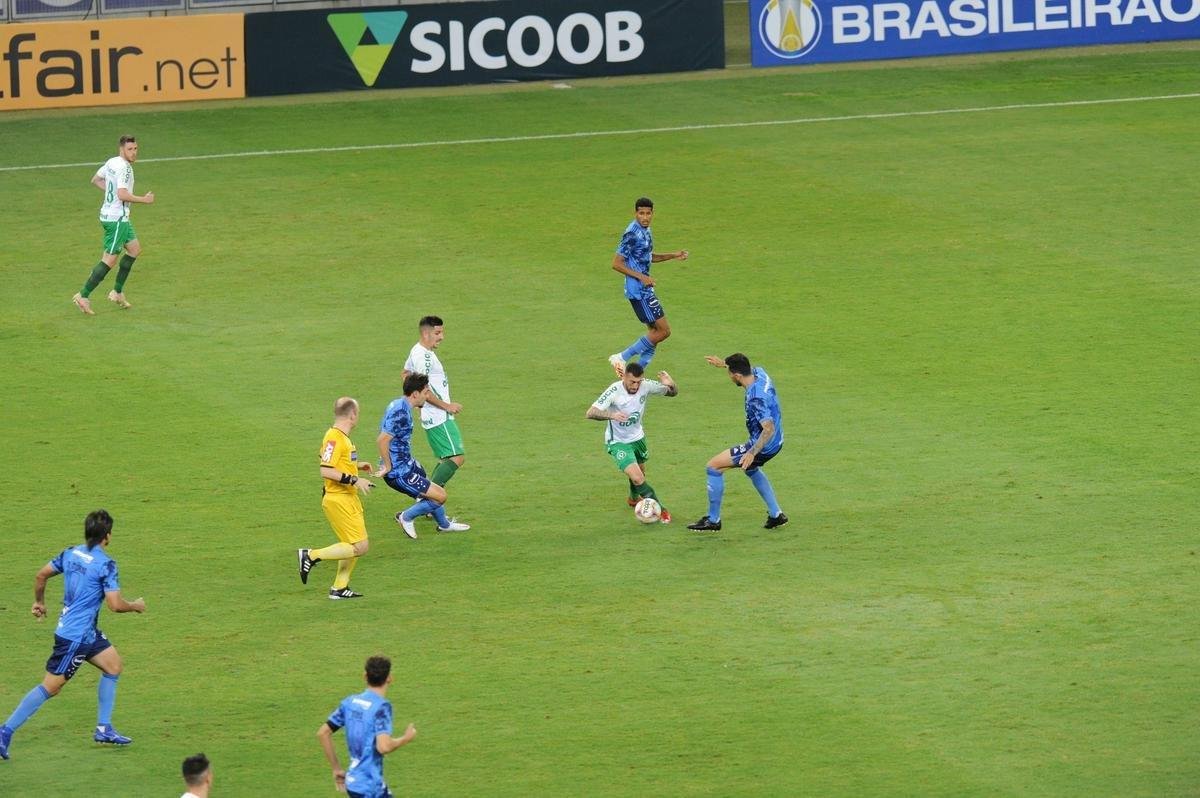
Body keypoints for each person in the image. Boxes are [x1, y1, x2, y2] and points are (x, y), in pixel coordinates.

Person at [0, 510, 147, 760]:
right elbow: (114, 604)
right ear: (107, 536)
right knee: (52, 686)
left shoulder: (70, 553)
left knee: (113, 666)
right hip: (75, 638)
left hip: (85, 632)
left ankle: (104, 729)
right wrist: (135, 605)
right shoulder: (106, 564)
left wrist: (40, 602)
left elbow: (41, 574)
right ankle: (5, 731)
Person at [687, 354, 789, 532]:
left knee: (713, 467)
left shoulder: (756, 398)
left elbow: (768, 428)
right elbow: (745, 366)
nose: (729, 376)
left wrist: (752, 452)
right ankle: (776, 515)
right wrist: (725, 364)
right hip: (778, 440)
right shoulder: (761, 374)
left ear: (737, 376)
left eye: (729, 373)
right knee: (750, 468)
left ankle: (713, 520)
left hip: (764, 444)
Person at [298, 397, 378, 600]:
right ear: (352, 415)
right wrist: (354, 479)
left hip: (346, 498)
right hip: (339, 499)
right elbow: (325, 470)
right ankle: (311, 555)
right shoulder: (335, 438)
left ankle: (339, 588)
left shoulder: (339, 437)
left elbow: (333, 461)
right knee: (361, 546)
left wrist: (357, 465)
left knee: (350, 545)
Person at [378, 374, 470, 538]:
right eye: (426, 392)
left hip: (408, 464)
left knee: (431, 489)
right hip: (399, 472)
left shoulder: (400, 404)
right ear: (415, 394)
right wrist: (388, 466)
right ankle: (406, 517)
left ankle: (444, 525)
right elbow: (382, 440)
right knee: (440, 497)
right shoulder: (401, 412)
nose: (428, 396)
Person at [72, 134, 155, 315]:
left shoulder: (111, 162)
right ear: (121, 150)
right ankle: (83, 295)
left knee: (134, 249)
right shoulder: (125, 168)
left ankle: (117, 292)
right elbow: (122, 194)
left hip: (115, 216)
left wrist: (110, 194)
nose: (134, 153)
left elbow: (95, 179)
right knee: (109, 260)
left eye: (135, 149)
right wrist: (144, 199)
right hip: (116, 219)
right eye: (130, 149)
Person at [586, 362, 678, 524]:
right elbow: (590, 413)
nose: (636, 386)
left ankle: (633, 498)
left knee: (640, 475)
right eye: (632, 382)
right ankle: (662, 511)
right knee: (637, 478)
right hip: (618, 442)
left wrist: (670, 383)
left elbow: (672, 393)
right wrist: (611, 415)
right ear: (624, 377)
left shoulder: (646, 385)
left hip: (638, 438)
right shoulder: (614, 390)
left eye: (638, 382)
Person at [607, 197, 688, 377]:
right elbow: (616, 263)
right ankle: (621, 357)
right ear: (635, 213)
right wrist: (642, 277)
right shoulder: (631, 233)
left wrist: (673, 255)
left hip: (645, 288)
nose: (645, 217)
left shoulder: (646, 230)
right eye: (641, 213)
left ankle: (636, 373)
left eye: (648, 213)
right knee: (664, 331)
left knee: (655, 332)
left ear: (652, 214)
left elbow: (648, 256)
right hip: (638, 290)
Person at [317, 655, 416, 798]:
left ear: (365, 676)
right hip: (370, 788)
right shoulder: (382, 707)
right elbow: (384, 747)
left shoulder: (350, 702)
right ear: (389, 678)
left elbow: (323, 733)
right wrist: (405, 738)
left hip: (354, 783)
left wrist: (336, 769)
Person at [401, 316, 466, 488]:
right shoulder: (424, 357)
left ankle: (429, 498)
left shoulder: (417, 350)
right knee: (456, 457)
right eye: (437, 333)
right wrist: (447, 407)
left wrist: (417, 403)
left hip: (432, 413)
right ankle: (426, 499)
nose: (441, 337)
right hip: (438, 415)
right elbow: (424, 388)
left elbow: (406, 373)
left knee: (447, 458)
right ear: (425, 333)